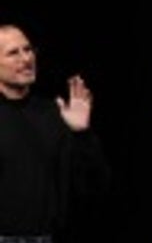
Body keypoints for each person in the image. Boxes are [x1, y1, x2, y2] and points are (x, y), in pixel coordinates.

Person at [0, 24, 110, 239]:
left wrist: (82, 133)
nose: (26, 59)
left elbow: (96, 187)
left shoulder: (53, 112)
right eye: (13, 53)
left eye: (28, 49)